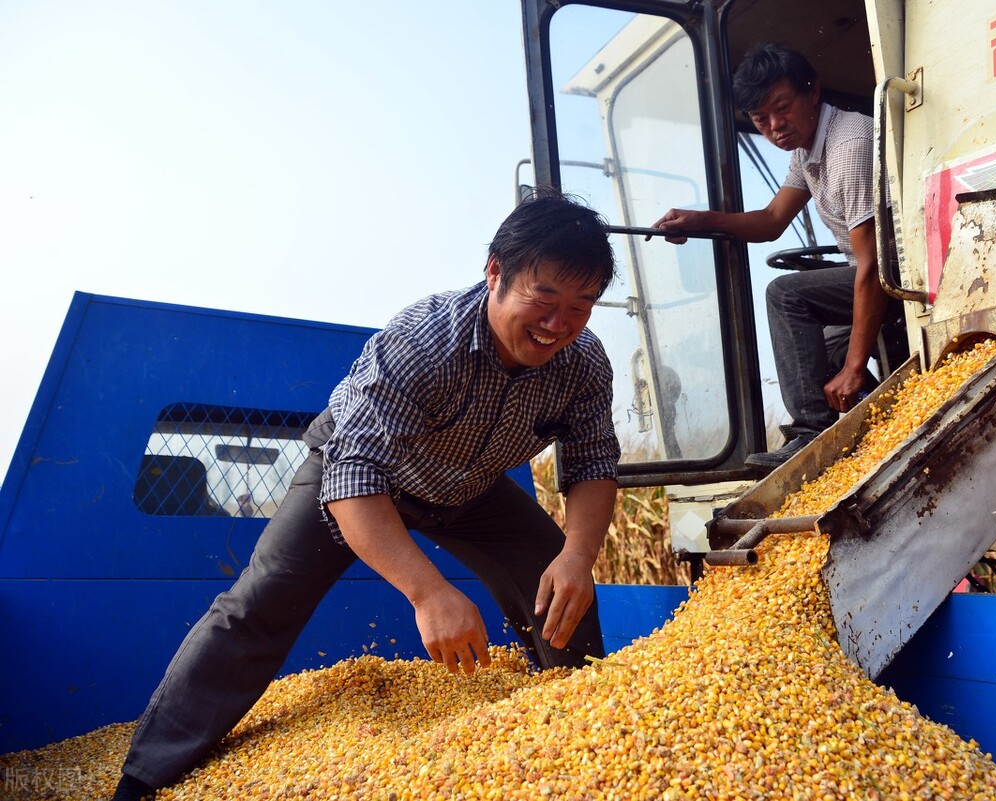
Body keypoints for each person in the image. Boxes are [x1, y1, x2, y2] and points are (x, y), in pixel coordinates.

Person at [111, 191, 620, 800]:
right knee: (259, 603)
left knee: (561, 588)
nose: (558, 323)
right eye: (544, 297)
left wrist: (577, 556)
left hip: (470, 487)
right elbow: (353, 476)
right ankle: (145, 778)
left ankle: (582, 741)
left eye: (581, 305)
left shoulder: (583, 364)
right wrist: (428, 590)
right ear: (495, 274)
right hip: (355, 477)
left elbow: (592, 464)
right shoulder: (425, 342)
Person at [651, 42, 899, 470]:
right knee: (816, 355)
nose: (774, 126)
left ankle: (810, 432)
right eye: (759, 119)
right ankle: (882, 422)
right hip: (871, 271)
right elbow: (770, 220)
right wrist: (699, 220)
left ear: (812, 93)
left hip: (902, 273)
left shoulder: (849, 145)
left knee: (787, 295)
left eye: (781, 107)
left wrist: (856, 366)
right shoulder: (807, 152)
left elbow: (873, 264)